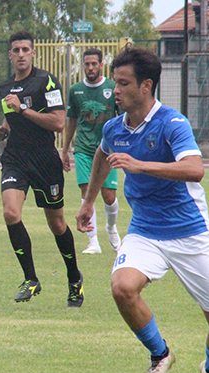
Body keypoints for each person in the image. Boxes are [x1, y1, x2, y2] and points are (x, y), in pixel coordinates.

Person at [76, 46, 209, 373]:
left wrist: (141, 165)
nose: (114, 90)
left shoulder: (172, 123)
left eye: (122, 83)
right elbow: (103, 154)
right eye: (114, 82)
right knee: (121, 287)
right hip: (146, 231)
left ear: (146, 86)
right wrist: (88, 202)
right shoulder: (114, 128)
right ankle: (160, 354)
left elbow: (195, 170)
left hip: (189, 233)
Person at [0, 30, 84, 308]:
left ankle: (73, 279)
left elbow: (57, 123)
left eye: (25, 50)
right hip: (15, 158)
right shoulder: (4, 89)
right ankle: (30, 278)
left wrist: (22, 111)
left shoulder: (46, 81)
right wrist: (1, 133)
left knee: (56, 224)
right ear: (10, 55)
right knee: (10, 212)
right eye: (15, 50)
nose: (20, 54)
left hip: (44, 159)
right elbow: (10, 123)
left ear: (33, 53)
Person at [61, 48, 121, 255]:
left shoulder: (112, 88)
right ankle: (93, 241)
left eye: (94, 64)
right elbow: (72, 120)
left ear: (101, 64)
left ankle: (111, 228)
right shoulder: (76, 90)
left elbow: (122, 117)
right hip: (84, 150)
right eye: (86, 64)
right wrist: (65, 150)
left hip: (107, 148)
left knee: (108, 196)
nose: (90, 68)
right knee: (87, 194)